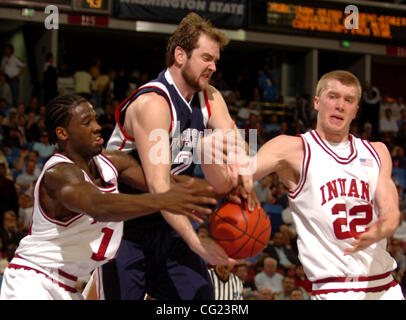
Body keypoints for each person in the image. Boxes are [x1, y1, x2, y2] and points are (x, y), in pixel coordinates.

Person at [0, 94, 219, 300]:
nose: (97, 127)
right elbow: (98, 205)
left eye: (95, 120)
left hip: (68, 286)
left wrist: (227, 189)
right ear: (62, 133)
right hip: (31, 280)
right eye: (87, 123)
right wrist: (163, 200)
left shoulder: (112, 163)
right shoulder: (58, 175)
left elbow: (166, 182)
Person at [103, 12, 252, 300]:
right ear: (180, 55)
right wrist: (197, 243)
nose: (213, 67)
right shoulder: (154, 103)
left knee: (201, 299)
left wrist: (243, 177)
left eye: (216, 61)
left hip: (169, 226)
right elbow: (160, 189)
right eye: (207, 58)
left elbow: (238, 144)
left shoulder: (209, 97)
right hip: (127, 226)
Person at [253, 70, 404, 300]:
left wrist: (386, 225)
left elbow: (391, 209)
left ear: (356, 110)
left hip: (385, 288)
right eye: (333, 96)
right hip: (333, 290)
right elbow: (241, 174)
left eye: (348, 100)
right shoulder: (292, 149)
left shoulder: (377, 151)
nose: (340, 105)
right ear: (317, 102)